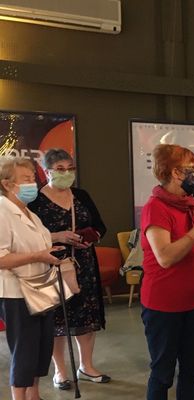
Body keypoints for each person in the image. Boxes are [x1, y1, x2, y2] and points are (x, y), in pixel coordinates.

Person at [140, 144, 194, 400]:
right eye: (192, 168)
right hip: (163, 307)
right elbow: (165, 257)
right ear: (176, 172)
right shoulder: (156, 208)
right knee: (163, 373)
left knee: (193, 368)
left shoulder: (189, 206)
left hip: (193, 304)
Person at [28, 148, 110, 389]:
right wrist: (58, 236)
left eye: (70, 169)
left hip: (84, 264)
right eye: (60, 169)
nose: (67, 174)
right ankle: (60, 371)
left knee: (86, 316)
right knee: (57, 319)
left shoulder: (81, 195)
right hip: (53, 265)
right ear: (47, 171)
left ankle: (86, 365)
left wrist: (90, 237)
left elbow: (100, 226)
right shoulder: (34, 200)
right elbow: (28, 236)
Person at [0, 156, 63, 400]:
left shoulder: (30, 215)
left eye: (33, 178)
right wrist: (38, 255)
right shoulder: (3, 213)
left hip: (41, 288)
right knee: (24, 350)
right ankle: (19, 397)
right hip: (16, 292)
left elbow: (41, 246)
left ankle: (34, 394)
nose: (32, 184)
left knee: (41, 347)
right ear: (7, 184)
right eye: (26, 179)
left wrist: (52, 253)